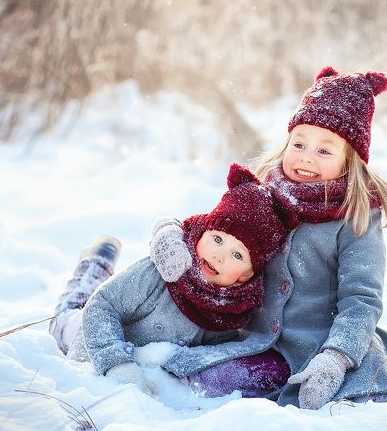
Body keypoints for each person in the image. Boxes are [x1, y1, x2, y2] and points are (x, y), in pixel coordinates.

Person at [149, 67, 387, 413]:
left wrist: (335, 357)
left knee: (209, 386)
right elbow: (210, 232)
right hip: (251, 339)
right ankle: (83, 298)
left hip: (314, 351)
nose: (306, 157)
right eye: (299, 143)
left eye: (324, 151)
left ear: (351, 162)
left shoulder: (355, 219)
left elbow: (362, 300)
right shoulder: (265, 194)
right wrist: (168, 231)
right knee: (176, 367)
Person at [49, 163, 296, 396]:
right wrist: (115, 363)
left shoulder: (232, 310)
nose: (218, 256)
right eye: (218, 239)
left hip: (132, 362)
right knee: (68, 316)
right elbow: (101, 306)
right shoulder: (165, 270)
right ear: (203, 231)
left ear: (247, 275)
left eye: (237, 254)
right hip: (92, 342)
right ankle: (94, 264)